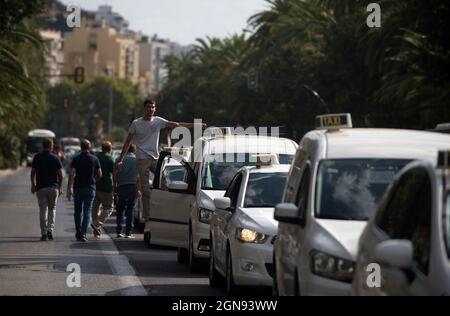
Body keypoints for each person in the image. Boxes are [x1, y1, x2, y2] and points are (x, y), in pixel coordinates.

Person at [116, 99, 206, 222]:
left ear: (155, 109)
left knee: (165, 184)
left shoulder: (158, 121)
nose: (151, 109)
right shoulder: (136, 123)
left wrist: (196, 125)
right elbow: (127, 142)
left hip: (155, 158)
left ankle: (165, 212)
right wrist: (120, 159)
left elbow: (177, 124)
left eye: (153, 107)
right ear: (144, 108)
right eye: (148, 107)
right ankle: (148, 217)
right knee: (145, 188)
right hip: (142, 159)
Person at [67, 139, 102, 242]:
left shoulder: (76, 159)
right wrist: (93, 181)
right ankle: (83, 233)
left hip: (77, 187)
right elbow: (100, 174)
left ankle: (78, 231)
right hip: (90, 188)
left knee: (77, 211)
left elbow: (72, 173)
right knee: (87, 211)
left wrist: (69, 188)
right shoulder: (94, 159)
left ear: (80, 147)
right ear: (89, 147)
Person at [30, 138, 63, 241]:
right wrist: (60, 186)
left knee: (43, 210)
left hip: (41, 188)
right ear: (51, 146)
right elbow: (60, 175)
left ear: (42, 145)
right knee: (52, 209)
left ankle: (44, 233)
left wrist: (33, 185)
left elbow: (32, 173)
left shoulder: (37, 157)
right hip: (53, 188)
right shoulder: (55, 157)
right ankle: (50, 230)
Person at [115, 144, 141, 238]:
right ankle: (128, 232)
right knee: (130, 209)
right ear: (134, 151)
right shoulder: (137, 160)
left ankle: (119, 231)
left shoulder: (119, 159)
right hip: (133, 186)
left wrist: (115, 187)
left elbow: (115, 174)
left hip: (121, 186)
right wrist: (138, 189)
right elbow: (139, 177)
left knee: (120, 209)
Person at [91, 141, 115, 238]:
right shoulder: (110, 158)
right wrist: (115, 187)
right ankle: (97, 224)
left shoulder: (95, 157)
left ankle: (96, 228)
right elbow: (114, 174)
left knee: (95, 207)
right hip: (106, 186)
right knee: (108, 208)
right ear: (109, 149)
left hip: (95, 185)